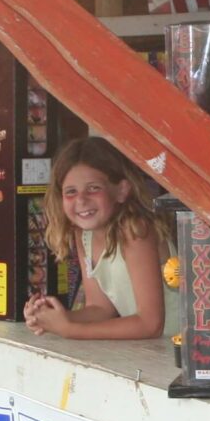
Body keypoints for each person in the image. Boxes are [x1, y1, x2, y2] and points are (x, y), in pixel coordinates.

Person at [23, 136, 169, 340]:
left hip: (181, 354)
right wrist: (56, 318)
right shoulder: (84, 235)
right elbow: (100, 308)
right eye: (71, 192)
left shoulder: (135, 230)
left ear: (121, 190)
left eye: (93, 188)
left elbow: (151, 323)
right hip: (153, 353)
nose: (81, 199)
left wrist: (70, 330)